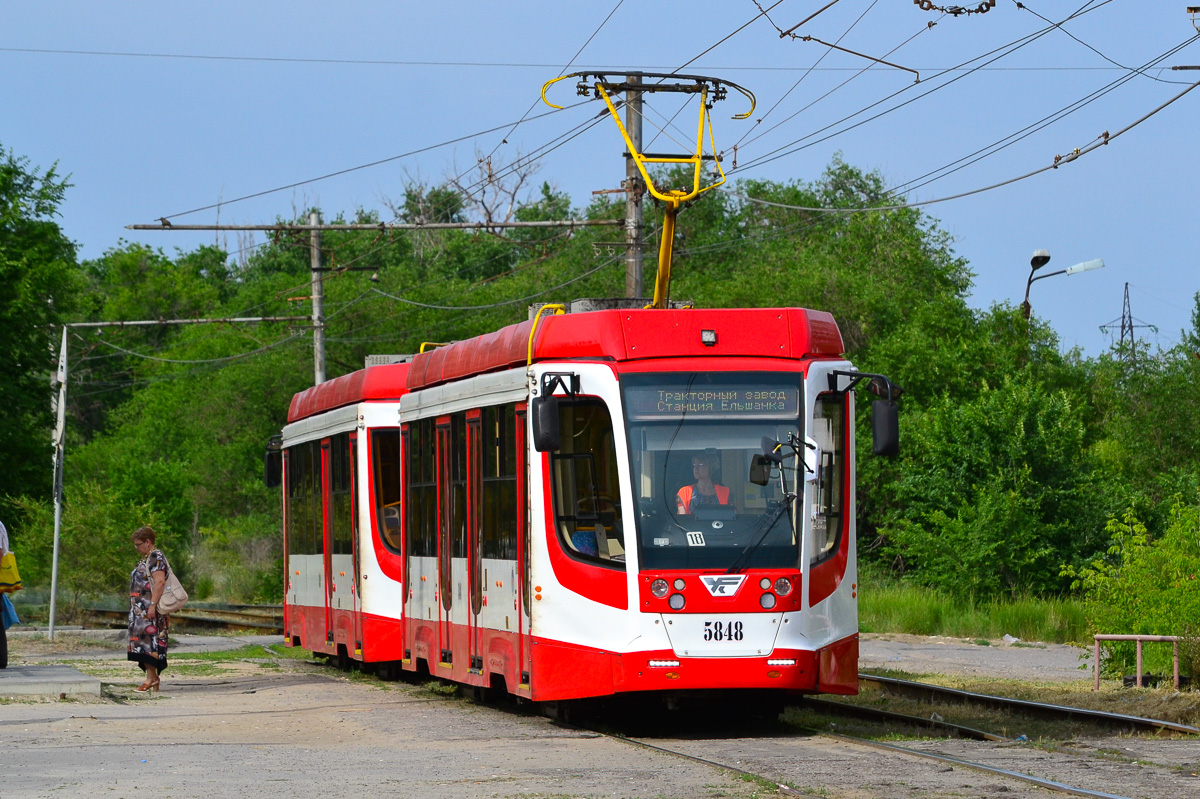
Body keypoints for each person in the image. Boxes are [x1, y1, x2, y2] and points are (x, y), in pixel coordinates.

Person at [128, 526, 169, 693]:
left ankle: (151, 679)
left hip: (149, 610)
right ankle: (152, 678)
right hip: (141, 611)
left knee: (149, 644)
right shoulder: (147, 558)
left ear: (148, 542)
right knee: (143, 644)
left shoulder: (155, 557)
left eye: (138, 544)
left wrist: (152, 605)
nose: (136, 548)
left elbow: (159, 582)